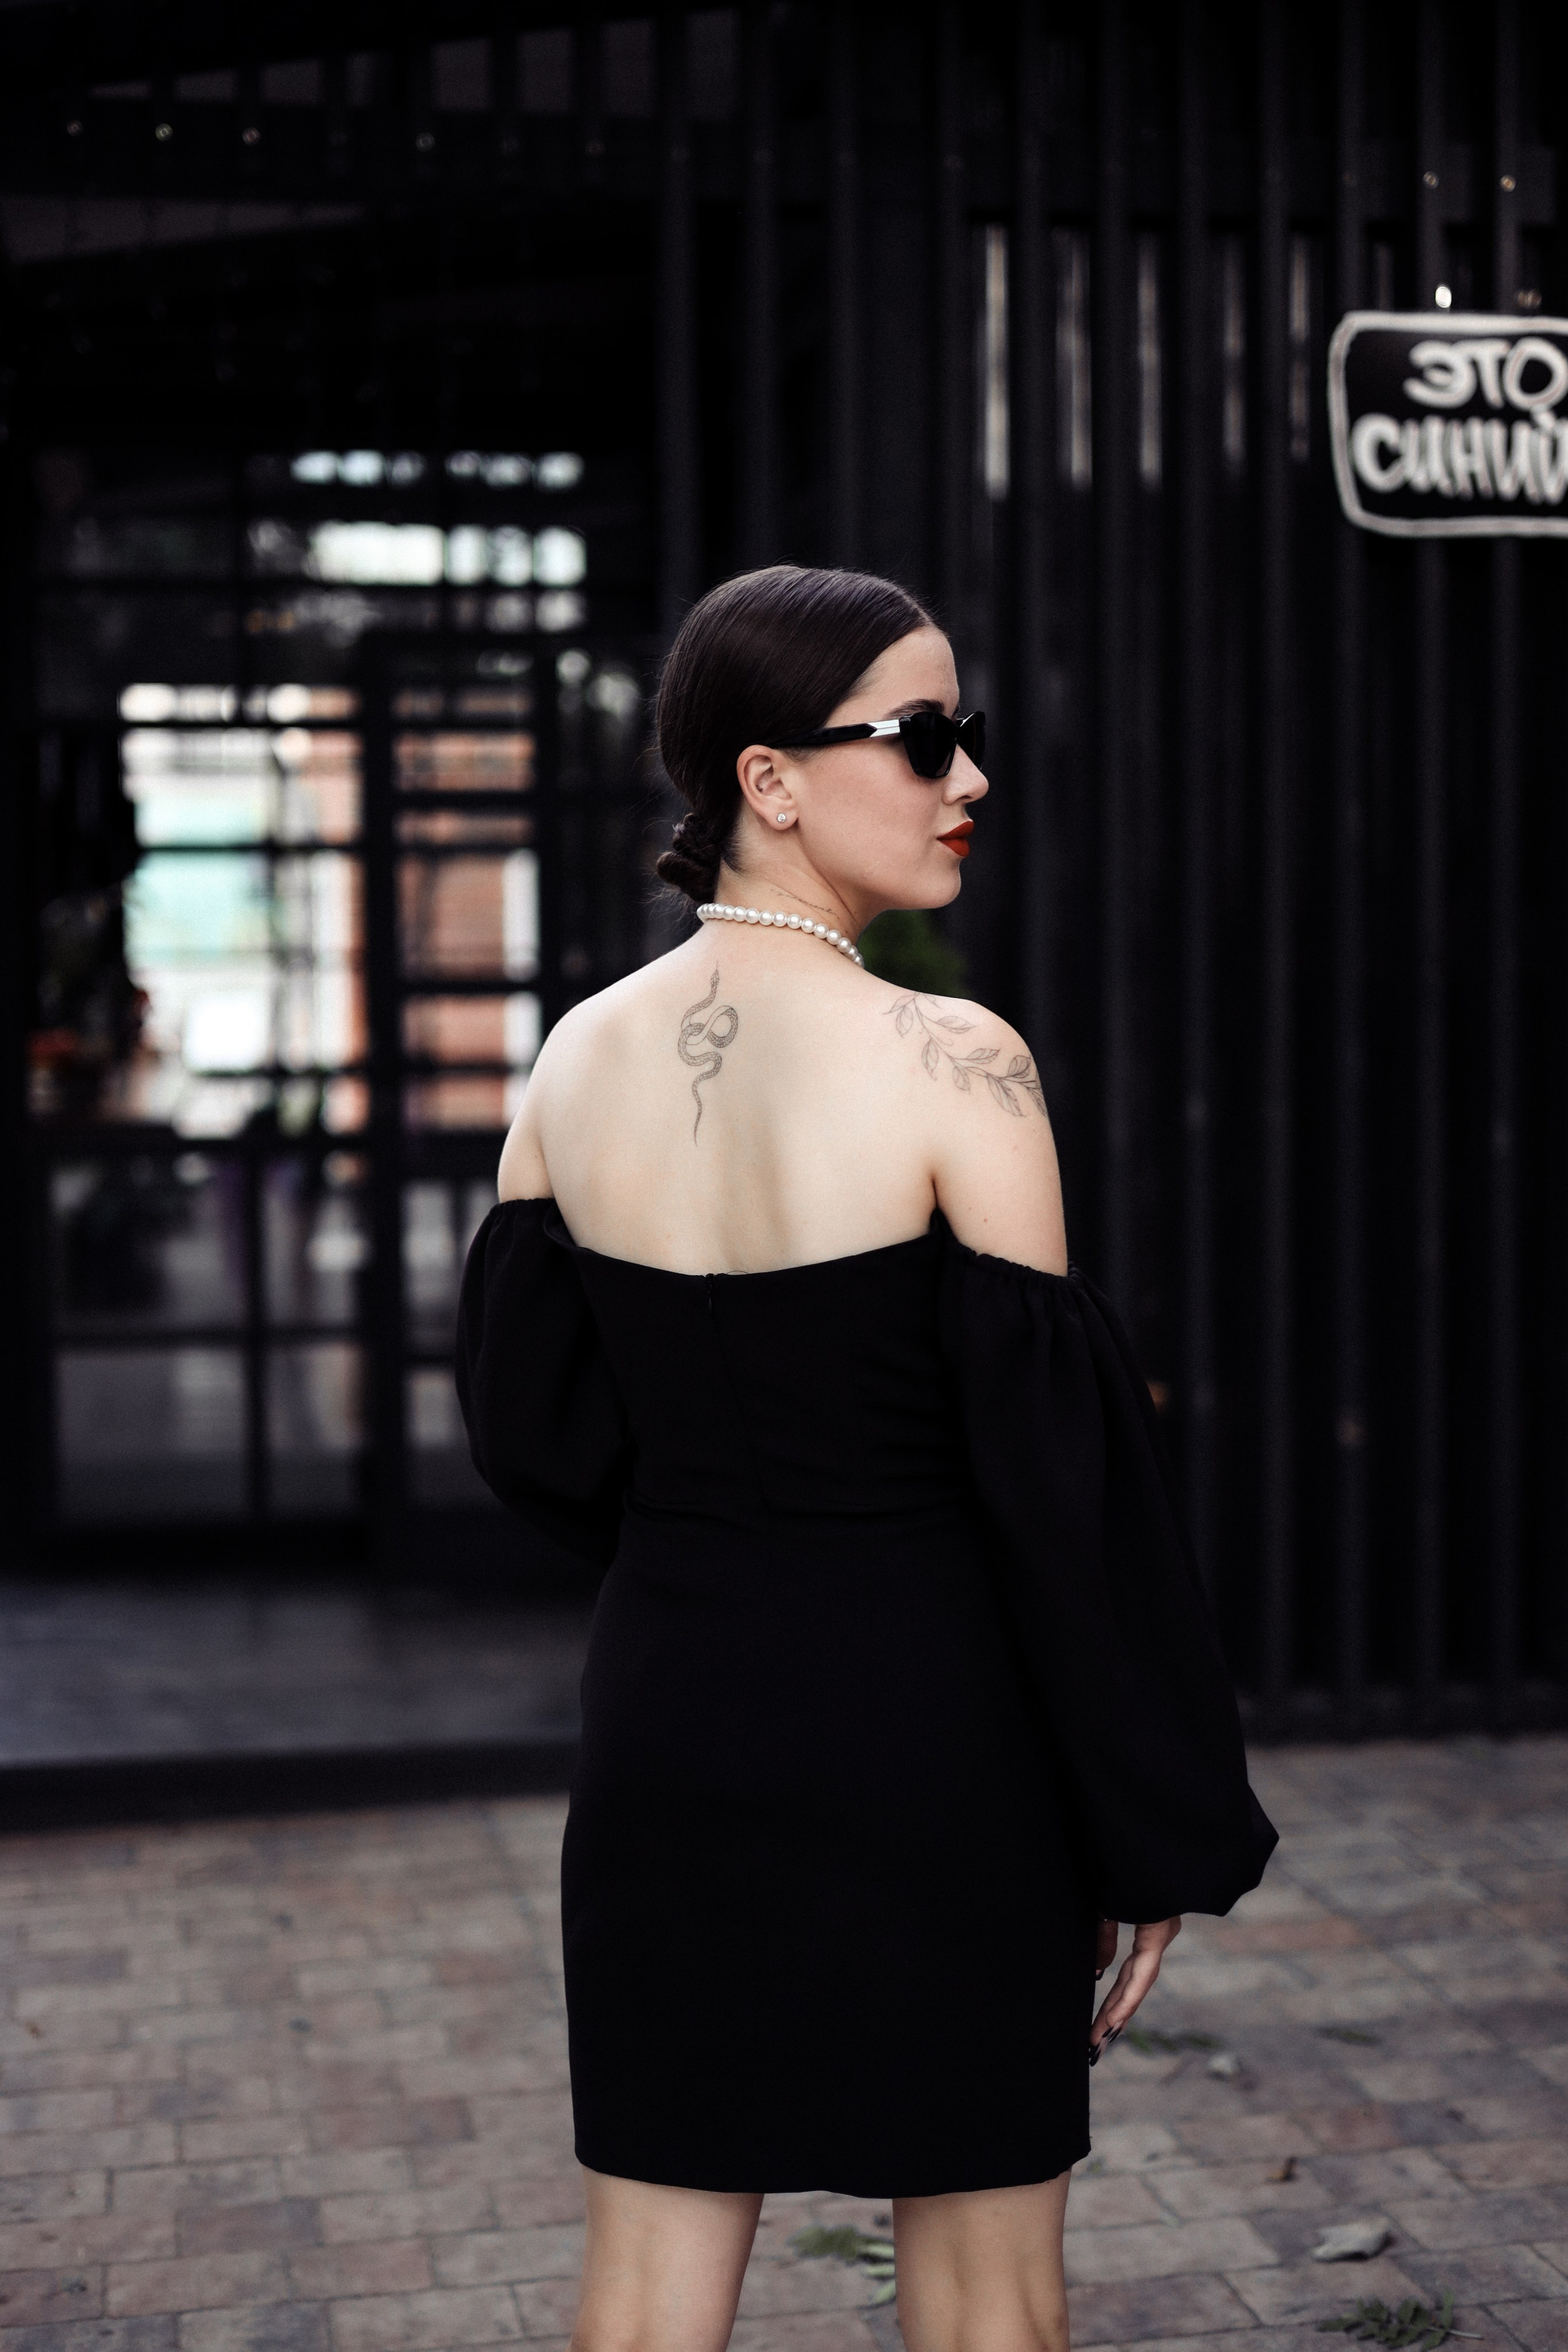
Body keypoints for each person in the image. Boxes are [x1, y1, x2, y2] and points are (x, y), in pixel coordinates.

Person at [458, 564, 1276, 2352]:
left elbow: (532, 1439)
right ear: (768, 779)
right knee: (989, 2306)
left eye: (962, 732)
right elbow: (1065, 1498)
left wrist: (707, 1543)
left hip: (669, 1720)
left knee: (644, 2297)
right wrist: (1147, 1813)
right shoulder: (952, 1059)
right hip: (937, 1740)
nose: (969, 774)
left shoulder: (574, 1059)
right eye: (921, 737)